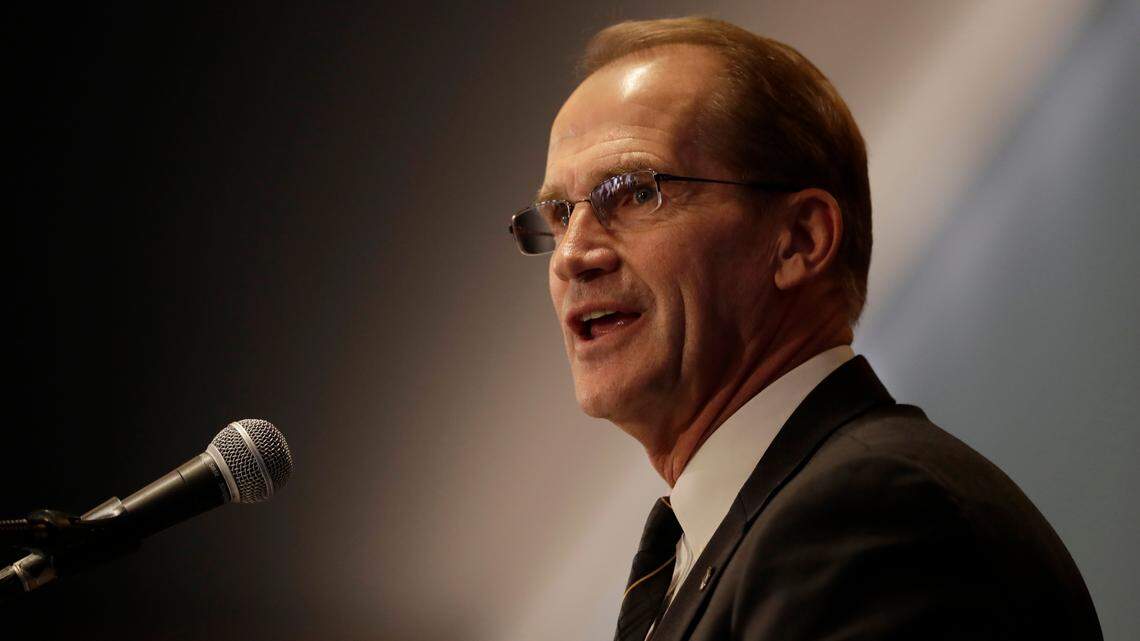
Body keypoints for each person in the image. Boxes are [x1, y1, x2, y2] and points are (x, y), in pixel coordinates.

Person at [506, 17, 1102, 641]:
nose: (572, 255)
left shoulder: (869, 512)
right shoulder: (742, 537)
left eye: (633, 193)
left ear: (800, 240)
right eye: (558, 215)